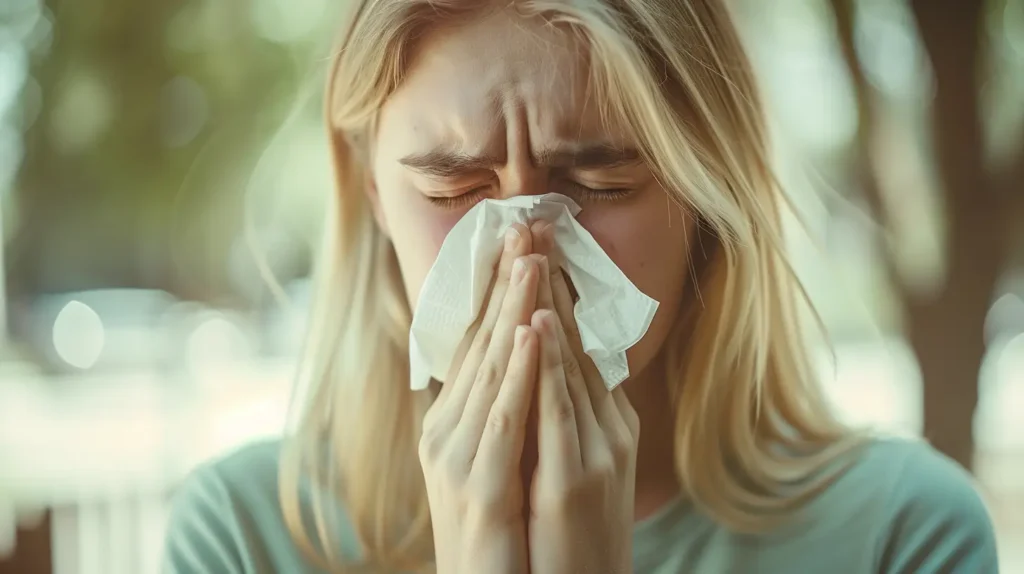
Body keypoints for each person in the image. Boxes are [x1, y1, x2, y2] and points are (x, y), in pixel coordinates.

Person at [162, 1, 1000, 572]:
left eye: (601, 182)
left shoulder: (902, 536)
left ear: (704, 197)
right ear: (374, 196)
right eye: (454, 191)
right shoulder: (244, 536)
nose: (526, 250)